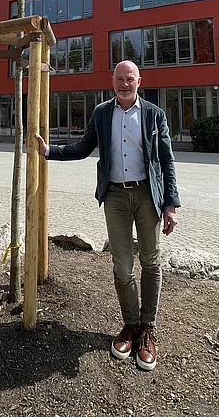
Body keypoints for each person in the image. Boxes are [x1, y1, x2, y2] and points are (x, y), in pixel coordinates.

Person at [36, 60, 179, 371]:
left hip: (146, 195)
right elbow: (84, 147)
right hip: (114, 195)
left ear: (139, 81)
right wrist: (50, 151)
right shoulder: (102, 112)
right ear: (112, 81)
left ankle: (148, 329)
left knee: (151, 261)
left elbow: (167, 161)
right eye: (119, 79)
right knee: (122, 266)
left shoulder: (155, 115)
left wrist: (170, 204)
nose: (124, 84)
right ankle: (130, 326)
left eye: (130, 79)